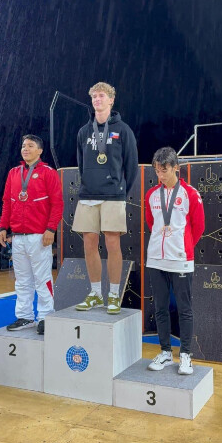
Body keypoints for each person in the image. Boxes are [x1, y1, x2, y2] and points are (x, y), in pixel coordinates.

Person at [73, 82, 138, 315]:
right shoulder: (83, 131)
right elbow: (81, 166)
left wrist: (120, 190)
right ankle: (95, 293)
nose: (97, 100)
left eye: (102, 96)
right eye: (94, 97)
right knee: (89, 244)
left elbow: (131, 167)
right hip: (88, 195)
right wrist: (89, 183)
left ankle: (113, 294)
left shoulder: (123, 130)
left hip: (113, 195)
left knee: (112, 244)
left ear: (111, 100)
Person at [144, 147, 205, 375]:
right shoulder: (151, 194)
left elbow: (199, 227)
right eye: (157, 171)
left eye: (164, 170)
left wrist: (183, 246)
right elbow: (152, 223)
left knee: (184, 309)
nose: (160, 175)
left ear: (176, 168)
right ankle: (166, 353)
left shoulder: (190, 193)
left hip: (181, 259)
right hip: (156, 260)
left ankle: (186, 355)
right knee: (160, 308)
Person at [0, 134, 64, 335]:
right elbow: (7, 203)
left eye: (30, 145)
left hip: (39, 236)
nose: (25, 149)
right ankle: (25, 316)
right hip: (17, 237)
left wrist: (51, 229)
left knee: (42, 278)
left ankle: (45, 315)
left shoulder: (48, 173)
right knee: (22, 280)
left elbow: (58, 203)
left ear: (40, 150)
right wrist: (2, 227)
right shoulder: (13, 173)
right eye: (23, 145)